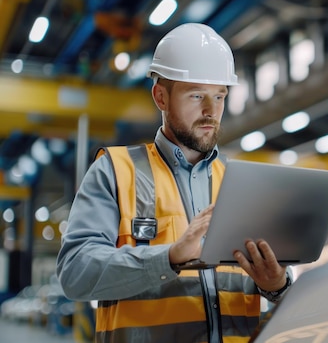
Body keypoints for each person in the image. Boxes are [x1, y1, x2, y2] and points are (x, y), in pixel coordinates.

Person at [56, 23, 292, 343]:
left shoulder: (240, 185)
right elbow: (75, 273)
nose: (211, 111)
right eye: (197, 95)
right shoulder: (114, 171)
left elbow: (268, 285)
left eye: (219, 96)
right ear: (161, 97)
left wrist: (276, 283)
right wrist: (169, 257)